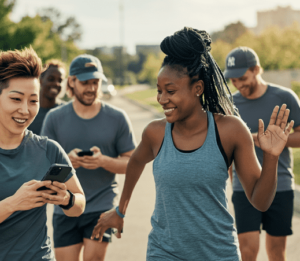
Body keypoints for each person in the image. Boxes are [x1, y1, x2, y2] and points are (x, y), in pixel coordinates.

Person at [90, 27, 294, 261]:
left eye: (170, 91)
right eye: (159, 91)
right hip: (164, 252)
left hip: (218, 253)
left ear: (197, 88)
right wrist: (120, 210)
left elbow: (261, 201)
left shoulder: (230, 131)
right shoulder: (155, 133)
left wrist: (271, 156)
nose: (162, 99)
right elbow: (135, 162)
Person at [41, 54, 136, 261]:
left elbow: (132, 164)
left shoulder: (117, 118)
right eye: (85, 83)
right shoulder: (54, 118)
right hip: (65, 206)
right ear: (72, 82)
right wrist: (67, 162)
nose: (92, 88)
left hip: (101, 206)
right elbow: (43, 166)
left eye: (96, 82)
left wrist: (103, 161)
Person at [0, 47, 85, 261]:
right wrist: (13, 203)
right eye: (16, 99)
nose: (26, 110)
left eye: (33, 100)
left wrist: (66, 199)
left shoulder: (49, 149)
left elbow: (80, 204)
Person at [223, 46, 300, 261]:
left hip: (280, 184)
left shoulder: (285, 97)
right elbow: (227, 146)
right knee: (247, 252)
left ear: (256, 69)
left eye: (242, 77)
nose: (238, 84)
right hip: (243, 187)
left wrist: (269, 140)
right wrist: (231, 178)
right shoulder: (230, 105)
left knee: (276, 253)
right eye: (233, 80)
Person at [28, 59, 66, 135]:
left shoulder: (66, 111)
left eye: (60, 80)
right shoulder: (27, 109)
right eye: (51, 79)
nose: (56, 84)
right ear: (40, 80)